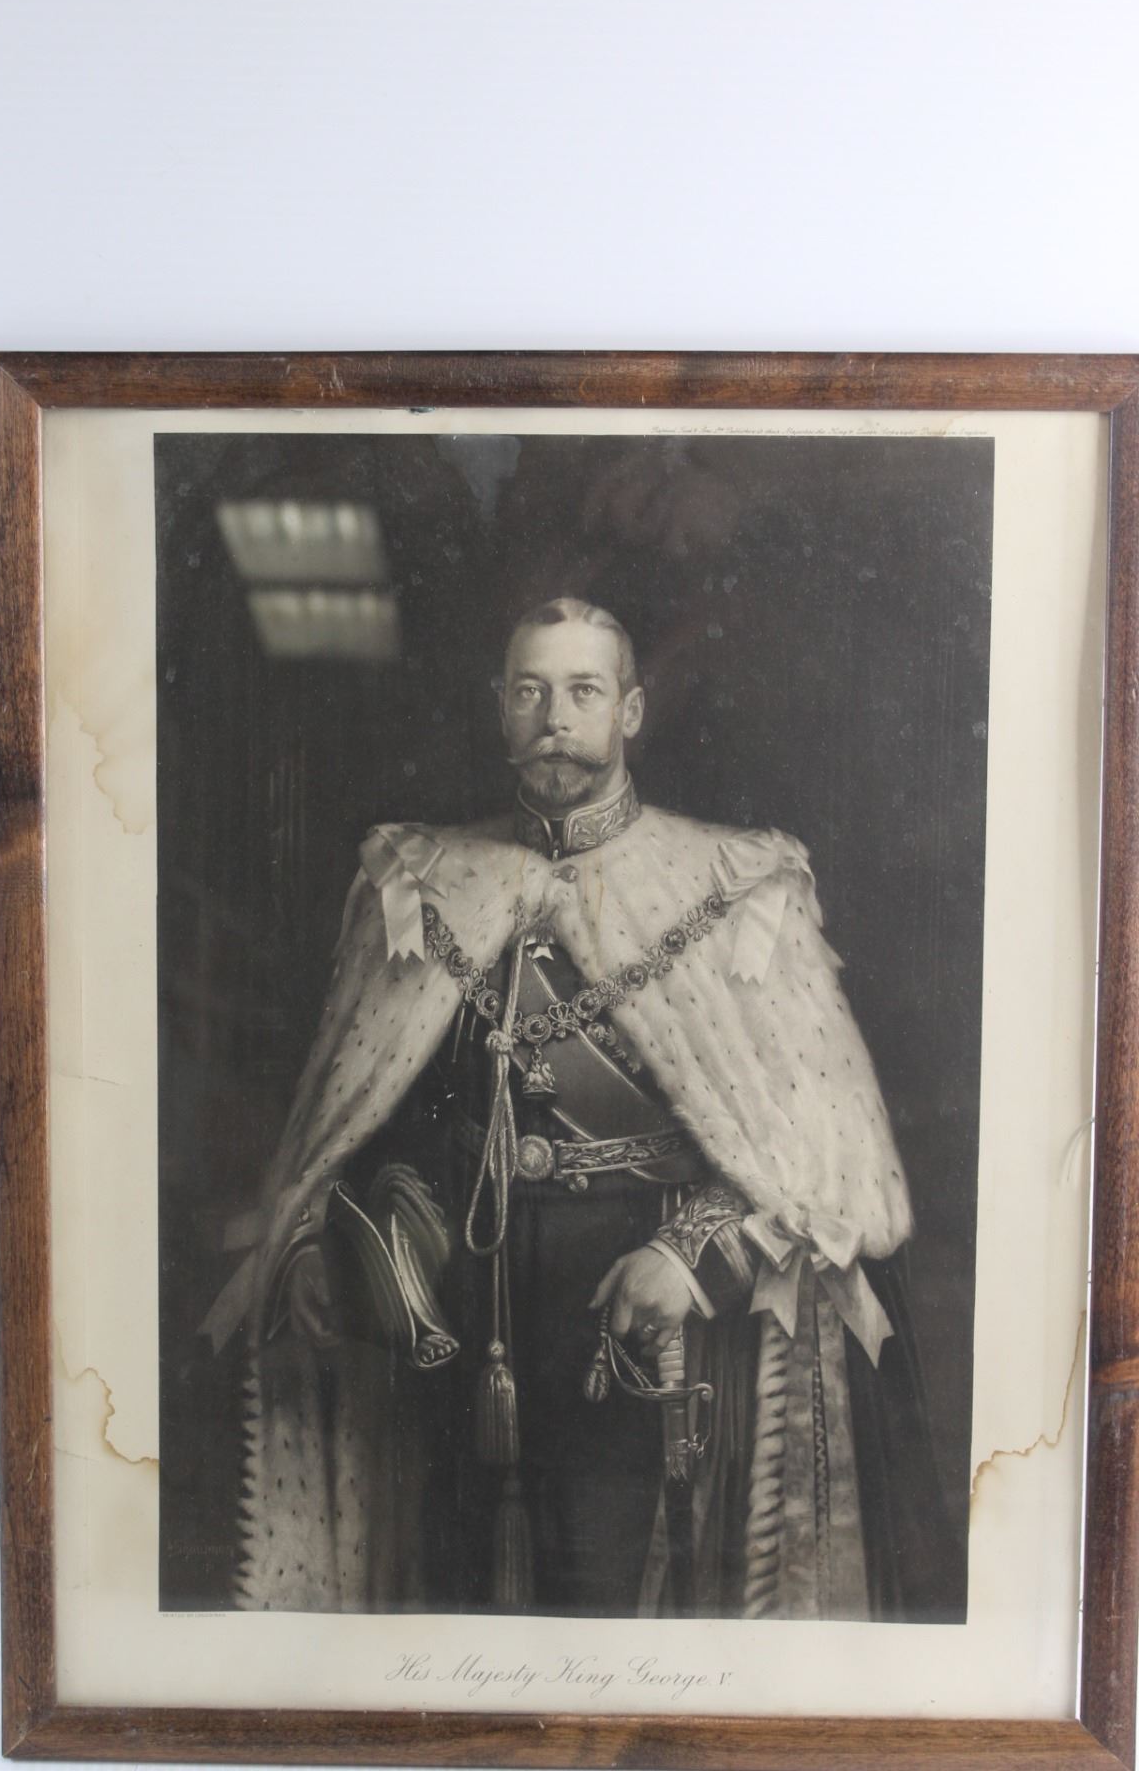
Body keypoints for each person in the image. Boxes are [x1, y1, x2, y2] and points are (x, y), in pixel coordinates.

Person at [214, 597, 961, 1621]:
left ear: (630, 711)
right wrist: (325, 1235)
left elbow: (824, 1165)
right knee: (450, 1597)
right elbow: (366, 1115)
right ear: (500, 708)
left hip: (640, 1314)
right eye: (530, 692)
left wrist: (689, 1259)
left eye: (582, 692)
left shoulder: (735, 887)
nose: (554, 719)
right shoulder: (423, 881)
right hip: (453, 1313)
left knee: (607, 1601)